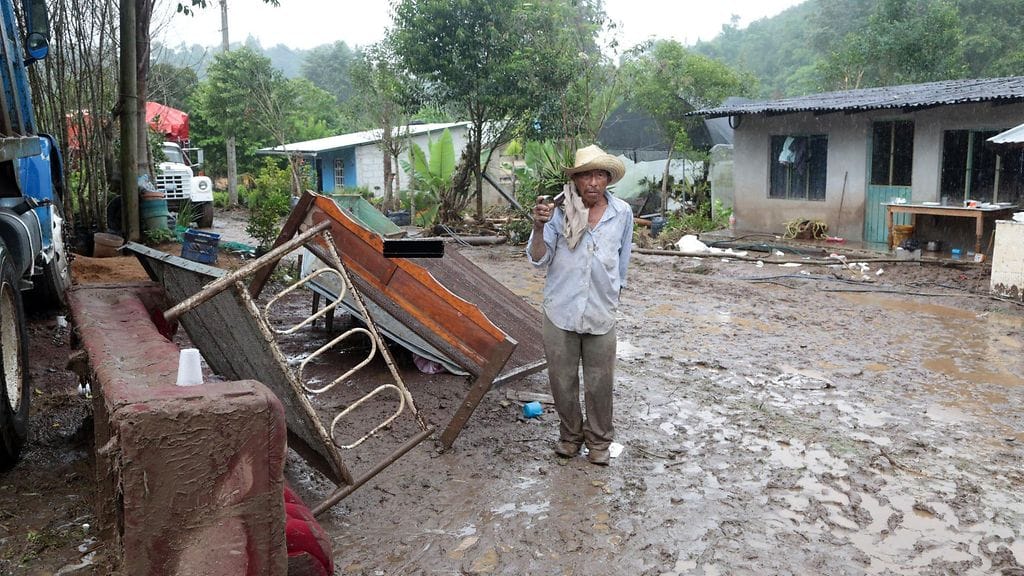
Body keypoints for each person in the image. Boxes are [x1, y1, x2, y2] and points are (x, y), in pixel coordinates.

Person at [527, 144, 633, 465]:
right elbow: (538, 259)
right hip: (560, 311)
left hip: (602, 312)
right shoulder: (557, 213)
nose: (592, 182)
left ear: (607, 179)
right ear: (575, 180)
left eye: (599, 175)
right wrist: (538, 226)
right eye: (585, 175)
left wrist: (614, 297)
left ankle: (600, 442)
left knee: (600, 383)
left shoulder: (622, 213)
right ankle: (570, 437)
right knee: (562, 380)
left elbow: (622, 262)